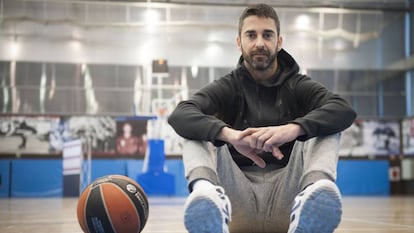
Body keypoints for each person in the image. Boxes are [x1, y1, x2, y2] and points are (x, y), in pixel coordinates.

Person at [168, 3, 356, 233]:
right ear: (239, 42)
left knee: (327, 122)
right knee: (196, 127)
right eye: (251, 35)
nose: (259, 43)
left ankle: (314, 192)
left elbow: (344, 110)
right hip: (236, 200)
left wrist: (293, 128)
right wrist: (231, 136)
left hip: (288, 199)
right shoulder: (228, 86)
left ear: (279, 42)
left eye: (267, 35)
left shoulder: (297, 85)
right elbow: (180, 114)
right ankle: (206, 196)